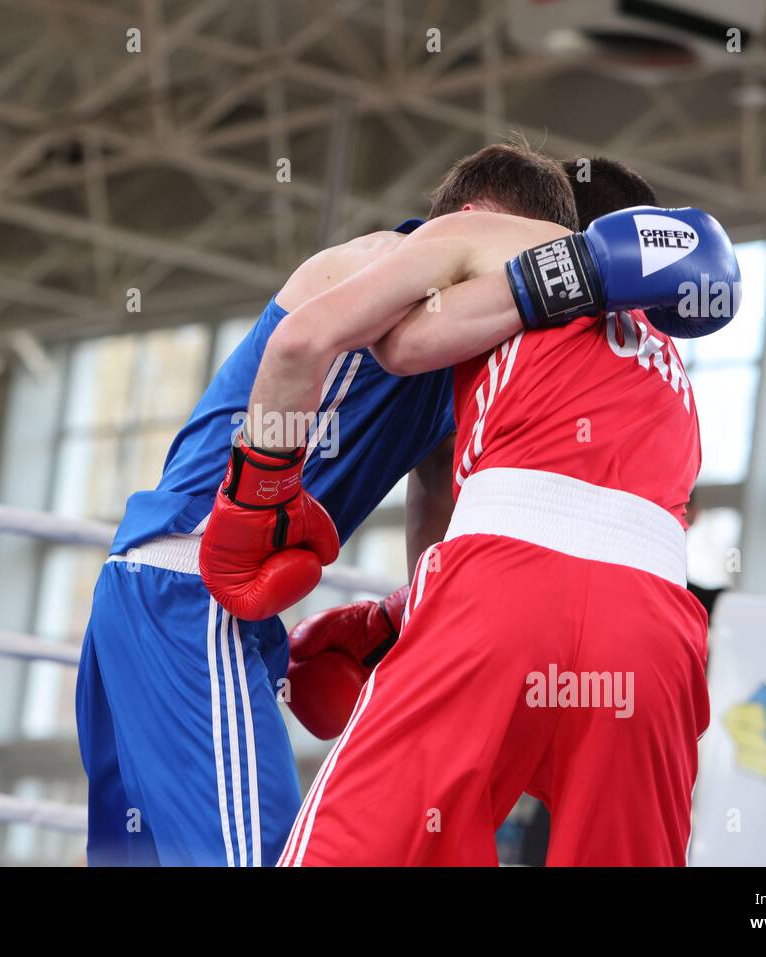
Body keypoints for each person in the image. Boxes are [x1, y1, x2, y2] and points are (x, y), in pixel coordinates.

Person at [201, 176, 739, 865]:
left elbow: (328, 344)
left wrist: (259, 492)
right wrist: (404, 615)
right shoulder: (665, 362)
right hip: (656, 632)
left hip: (503, 590)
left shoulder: (481, 234)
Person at [75, 142, 584, 866]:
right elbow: (298, 346)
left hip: (167, 594)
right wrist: (266, 487)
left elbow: (434, 496)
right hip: (193, 588)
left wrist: (420, 626)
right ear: (475, 222)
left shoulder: (460, 364)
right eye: (517, 248)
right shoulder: (377, 262)